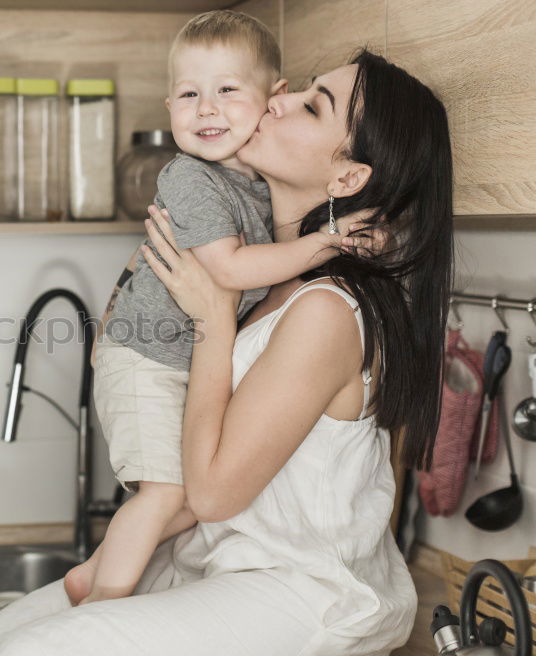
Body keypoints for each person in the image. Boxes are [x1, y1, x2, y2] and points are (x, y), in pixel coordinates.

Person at [0, 47, 452, 656]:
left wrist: (212, 321)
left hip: (303, 591)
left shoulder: (328, 311)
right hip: (217, 564)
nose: (275, 99)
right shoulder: (256, 275)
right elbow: (200, 488)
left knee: (34, 655)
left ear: (347, 178)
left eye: (310, 105)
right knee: (1, 637)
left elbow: (217, 491)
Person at [66, 9, 359, 607]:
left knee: (176, 497)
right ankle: (100, 609)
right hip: (147, 359)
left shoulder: (252, 183)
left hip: (171, 358)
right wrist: (326, 241)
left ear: (269, 99)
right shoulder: (190, 177)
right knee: (161, 495)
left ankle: (91, 575)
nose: (206, 109)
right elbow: (226, 272)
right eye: (188, 94)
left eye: (227, 91)